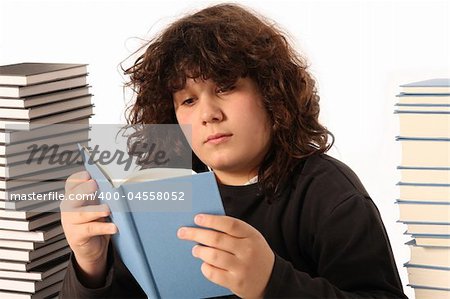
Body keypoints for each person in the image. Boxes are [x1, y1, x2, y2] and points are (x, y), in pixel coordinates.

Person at [60, 3, 407, 298]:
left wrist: (272, 283)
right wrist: (90, 264)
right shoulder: (165, 196)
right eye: (188, 100)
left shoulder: (329, 194)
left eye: (225, 87)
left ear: (272, 93)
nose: (208, 114)